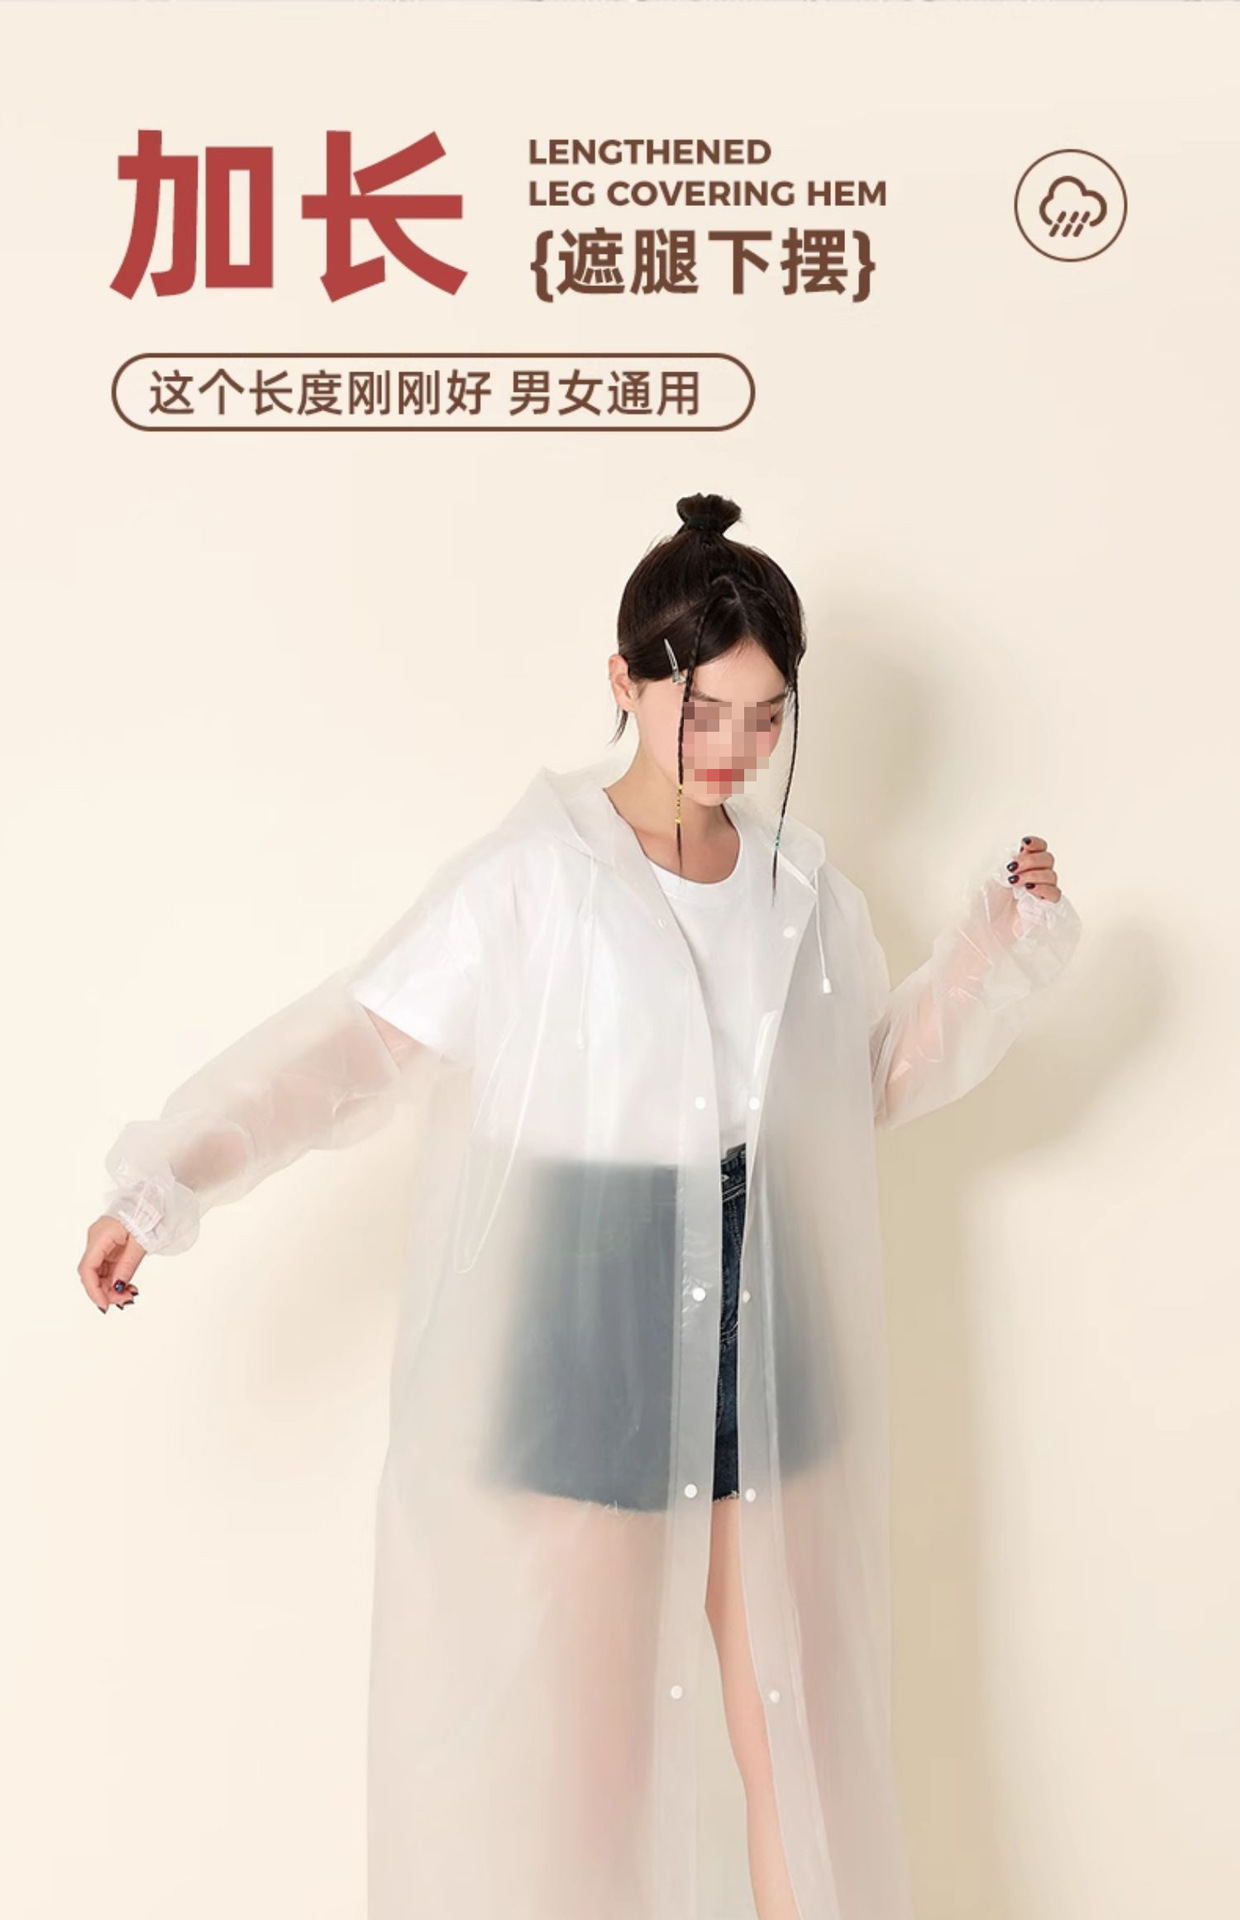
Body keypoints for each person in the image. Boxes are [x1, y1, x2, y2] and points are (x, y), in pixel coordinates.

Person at [79, 492, 1082, 1920]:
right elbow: (354, 1048)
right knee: (591, 1753)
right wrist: (169, 1175)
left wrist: (994, 945)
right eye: (703, 712)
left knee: (798, 1731)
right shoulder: (533, 881)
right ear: (625, 681)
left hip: (767, 1299)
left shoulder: (803, 891)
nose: (733, 750)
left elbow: (854, 1086)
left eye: (767, 718)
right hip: (594, 1294)